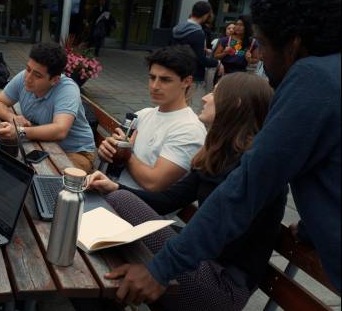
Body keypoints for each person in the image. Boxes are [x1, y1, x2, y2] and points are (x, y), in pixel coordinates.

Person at [104, 0, 341, 303]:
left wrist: (161, 269)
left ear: (293, 44)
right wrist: (313, 228)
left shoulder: (314, 78)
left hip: (222, 284)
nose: (258, 57)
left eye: (260, 44)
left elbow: (246, 189)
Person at [89, 73, 285, 310]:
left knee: (120, 203)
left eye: (215, 93)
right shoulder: (218, 154)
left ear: (236, 104)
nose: (205, 98)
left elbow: (224, 240)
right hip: (194, 264)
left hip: (220, 287)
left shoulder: (255, 170)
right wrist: (114, 185)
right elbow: (167, 201)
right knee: (115, 210)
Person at [98, 45, 207, 192]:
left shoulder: (189, 129)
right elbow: (114, 155)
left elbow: (153, 183)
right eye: (152, 77)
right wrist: (107, 152)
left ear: (186, 81)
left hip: (140, 209)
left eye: (165, 80)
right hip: (111, 192)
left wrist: (126, 155)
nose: (155, 86)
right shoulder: (143, 114)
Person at [0, 42, 96, 172]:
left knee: (37, 177)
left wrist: (20, 132)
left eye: (37, 75)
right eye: (28, 69)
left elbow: (60, 130)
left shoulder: (68, 90)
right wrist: (12, 117)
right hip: (42, 144)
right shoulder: (25, 76)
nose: (28, 78)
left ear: (55, 80)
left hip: (75, 152)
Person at [171, 1, 221, 112]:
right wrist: (217, 63)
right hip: (191, 75)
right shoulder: (198, 33)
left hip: (175, 71)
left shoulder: (177, 28)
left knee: (174, 102)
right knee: (185, 105)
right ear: (206, 15)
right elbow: (199, 59)